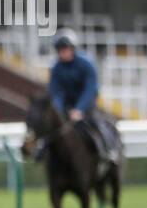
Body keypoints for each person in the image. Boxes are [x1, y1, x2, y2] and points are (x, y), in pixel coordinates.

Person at [48, 29, 119, 168]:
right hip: (67, 108)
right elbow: (56, 92)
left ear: (73, 48)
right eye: (60, 49)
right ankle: (42, 153)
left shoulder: (86, 64)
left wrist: (79, 109)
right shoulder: (56, 68)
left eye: (66, 48)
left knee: (97, 124)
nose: (63, 52)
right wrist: (61, 108)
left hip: (87, 106)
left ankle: (109, 151)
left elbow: (90, 89)